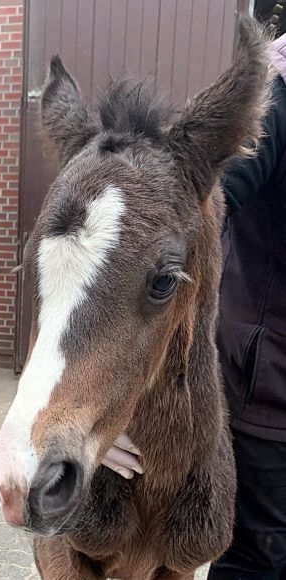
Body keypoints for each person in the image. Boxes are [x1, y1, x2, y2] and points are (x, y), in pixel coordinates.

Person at [102, 33, 286, 578]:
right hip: (269, 392)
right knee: (259, 557)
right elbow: (167, 234)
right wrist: (104, 408)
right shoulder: (274, 100)